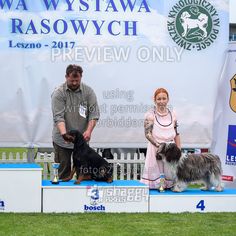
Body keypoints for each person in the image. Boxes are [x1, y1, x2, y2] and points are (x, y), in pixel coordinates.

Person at [51, 64, 100, 179]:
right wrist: (64, 135)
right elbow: (58, 117)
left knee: (85, 174)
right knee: (63, 174)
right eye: (72, 80)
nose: (74, 83)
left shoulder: (88, 92)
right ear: (66, 77)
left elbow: (94, 114)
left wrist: (88, 131)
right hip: (62, 141)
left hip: (81, 141)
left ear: (81, 77)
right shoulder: (58, 93)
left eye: (77, 80)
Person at [140, 88, 181, 189]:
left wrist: (179, 149)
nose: (161, 101)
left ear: (168, 99)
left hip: (171, 151)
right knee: (156, 179)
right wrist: (160, 147)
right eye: (159, 99)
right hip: (156, 149)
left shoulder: (173, 115)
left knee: (170, 176)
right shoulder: (150, 115)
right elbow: (147, 134)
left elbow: (176, 133)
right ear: (154, 100)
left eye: (164, 98)